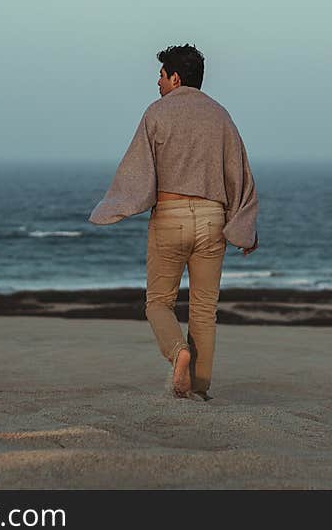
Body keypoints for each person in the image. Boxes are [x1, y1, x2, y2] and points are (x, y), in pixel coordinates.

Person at [88, 44, 259, 401]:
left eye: (162, 75)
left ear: (176, 77)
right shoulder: (221, 116)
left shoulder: (156, 113)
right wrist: (244, 229)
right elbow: (239, 174)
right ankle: (197, 387)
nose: (158, 82)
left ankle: (177, 351)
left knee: (158, 303)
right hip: (213, 219)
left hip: (170, 216)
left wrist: (112, 207)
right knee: (204, 309)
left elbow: (136, 172)